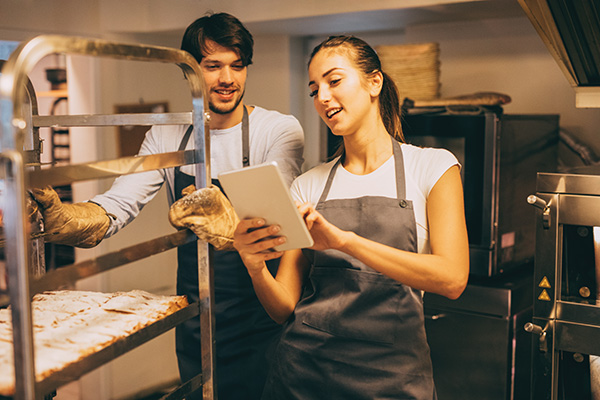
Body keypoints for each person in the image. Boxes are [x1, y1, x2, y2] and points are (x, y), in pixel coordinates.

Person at [31, 12, 304, 400]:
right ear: (189, 71)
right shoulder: (167, 134)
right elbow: (117, 205)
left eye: (236, 66)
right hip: (197, 312)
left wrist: (222, 216)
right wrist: (64, 217)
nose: (227, 78)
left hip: (262, 311)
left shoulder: (277, 129)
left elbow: (277, 216)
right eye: (213, 66)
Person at [233, 35, 469, 399]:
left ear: (374, 82)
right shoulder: (308, 185)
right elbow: (283, 308)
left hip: (392, 381)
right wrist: (254, 265)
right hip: (302, 376)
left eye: (334, 81)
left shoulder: (433, 168)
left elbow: (452, 278)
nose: (322, 97)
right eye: (314, 90)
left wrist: (346, 242)